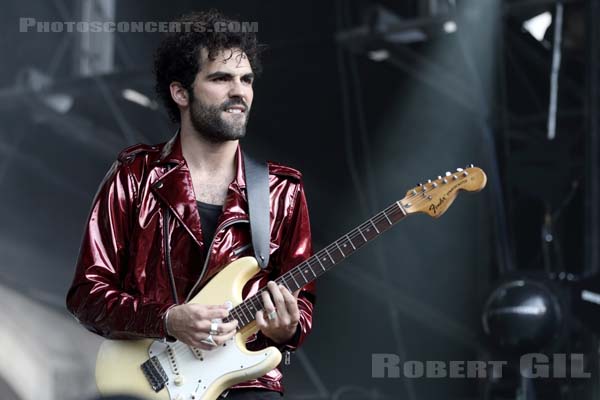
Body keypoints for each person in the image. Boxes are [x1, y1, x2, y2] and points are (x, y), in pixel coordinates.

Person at [66, 9, 315, 399]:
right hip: (148, 377)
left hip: (246, 381)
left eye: (246, 80)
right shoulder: (136, 175)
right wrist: (166, 320)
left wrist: (289, 328)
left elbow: (300, 306)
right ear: (181, 92)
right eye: (221, 78)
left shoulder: (282, 189)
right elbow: (87, 295)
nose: (240, 92)